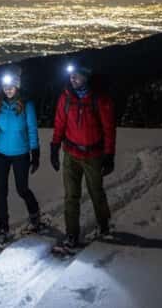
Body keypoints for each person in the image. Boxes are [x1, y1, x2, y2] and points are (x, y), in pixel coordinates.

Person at [50, 62, 116, 253]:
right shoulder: (66, 97)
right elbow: (59, 123)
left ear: (86, 77)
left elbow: (109, 129)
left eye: (77, 76)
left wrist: (109, 154)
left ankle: (104, 225)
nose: (72, 79)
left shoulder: (100, 99)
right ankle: (72, 234)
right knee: (71, 196)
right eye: (71, 75)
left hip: (93, 155)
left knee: (96, 192)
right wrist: (54, 147)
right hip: (71, 153)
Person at [0, 66, 41, 245]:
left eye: (12, 86)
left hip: (20, 154)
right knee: (1, 191)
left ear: (18, 86)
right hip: (0, 154)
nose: (8, 89)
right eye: (5, 86)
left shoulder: (27, 104)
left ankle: (35, 215)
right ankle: (3, 227)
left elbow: (32, 129)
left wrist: (35, 153)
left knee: (22, 189)